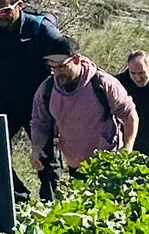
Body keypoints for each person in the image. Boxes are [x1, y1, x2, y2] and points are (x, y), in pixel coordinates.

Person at [0, 0, 70, 199]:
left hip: (41, 103)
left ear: (20, 5)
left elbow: (67, 60)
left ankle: (51, 207)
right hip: (8, 98)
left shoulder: (41, 30)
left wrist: (63, 103)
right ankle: (18, 199)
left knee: (46, 160)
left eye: (6, 11)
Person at [29, 38, 138, 180]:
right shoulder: (47, 90)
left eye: (62, 66)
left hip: (108, 162)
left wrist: (128, 148)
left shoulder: (102, 84)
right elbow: (39, 122)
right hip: (75, 163)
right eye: (53, 68)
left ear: (77, 60)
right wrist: (37, 147)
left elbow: (129, 114)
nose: (57, 73)